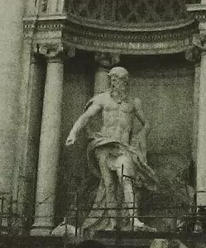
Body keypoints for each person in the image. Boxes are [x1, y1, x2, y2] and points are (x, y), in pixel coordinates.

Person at [65, 66, 159, 231]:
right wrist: (73, 133)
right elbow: (86, 117)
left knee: (126, 178)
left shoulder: (134, 103)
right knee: (108, 185)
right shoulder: (102, 99)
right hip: (104, 144)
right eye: (118, 80)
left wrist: (141, 136)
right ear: (112, 80)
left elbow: (147, 123)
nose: (122, 83)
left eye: (125, 80)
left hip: (123, 147)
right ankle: (114, 223)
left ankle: (134, 219)